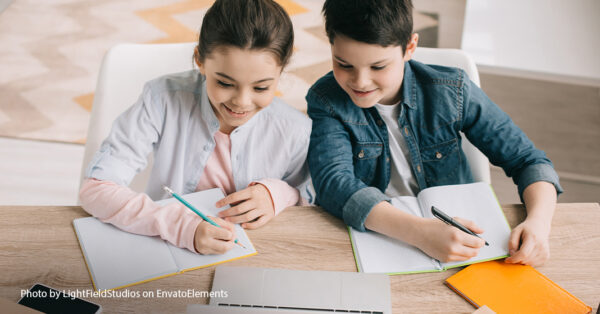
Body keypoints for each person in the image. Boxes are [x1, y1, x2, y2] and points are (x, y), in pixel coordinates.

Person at [306, 0, 562, 266]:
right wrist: (420, 233)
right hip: (383, 236)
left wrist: (539, 223)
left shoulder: (452, 90)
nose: (360, 82)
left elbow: (528, 160)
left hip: (464, 235)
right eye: (343, 64)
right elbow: (333, 183)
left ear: (410, 47)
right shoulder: (326, 100)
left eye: (378, 67)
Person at [79, 0, 312, 255]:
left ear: (281, 71)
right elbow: (96, 189)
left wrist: (277, 194)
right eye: (224, 83)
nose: (241, 102)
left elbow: (310, 197)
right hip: (163, 251)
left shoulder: (296, 130)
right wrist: (180, 226)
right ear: (199, 60)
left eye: (261, 87)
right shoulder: (162, 99)